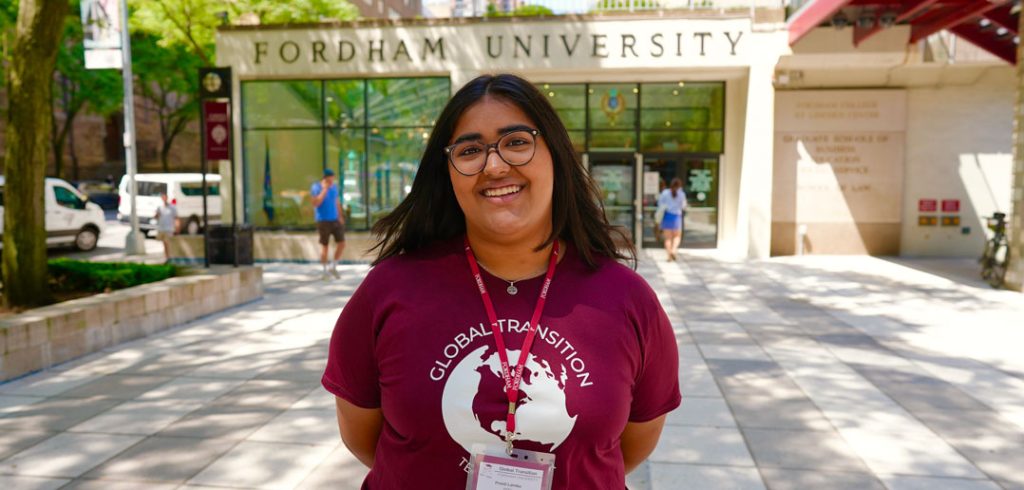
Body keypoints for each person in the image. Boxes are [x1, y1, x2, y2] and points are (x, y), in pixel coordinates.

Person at [322, 74, 680, 489]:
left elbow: (628, 448)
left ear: (555, 155)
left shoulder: (626, 299)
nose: (494, 166)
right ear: (449, 172)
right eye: (470, 150)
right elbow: (362, 437)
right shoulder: (389, 291)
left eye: (516, 142)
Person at [311, 168, 346, 279]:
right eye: (331, 178)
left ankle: (333, 266)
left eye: (333, 178)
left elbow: (337, 201)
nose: (332, 180)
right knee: (325, 246)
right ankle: (324, 272)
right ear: (325, 178)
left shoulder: (334, 187)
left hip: (334, 220)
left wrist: (340, 216)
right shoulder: (316, 187)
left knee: (342, 243)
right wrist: (324, 189)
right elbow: (316, 203)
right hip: (323, 220)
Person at [658, 177, 687, 261]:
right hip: (677, 217)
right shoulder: (681, 194)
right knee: (677, 236)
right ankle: (674, 250)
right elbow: (683, 206)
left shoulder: (665, 192)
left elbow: (660, 204)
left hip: (667, 216)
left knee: (667, 238)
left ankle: (669, 255)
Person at [154, 193, 178, 262]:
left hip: (169, 228)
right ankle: (167, 257)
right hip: (162, 228)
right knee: (164, 243)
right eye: (162, 197)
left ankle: (170, 257)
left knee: (168, 243)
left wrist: (176, 227)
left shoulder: (172, 207)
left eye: (165, 197)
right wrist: (156, 215)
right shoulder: (160, 207)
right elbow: (156, 217)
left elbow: (176, 218)